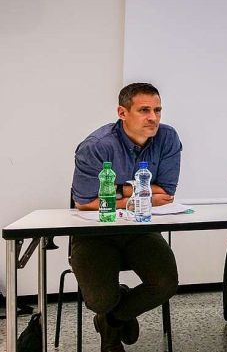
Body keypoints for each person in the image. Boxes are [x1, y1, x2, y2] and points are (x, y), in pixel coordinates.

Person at [70, 83, 181, 352]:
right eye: (144, 110)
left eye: (157, 110)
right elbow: (85, 203)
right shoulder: (96, 146)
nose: (153, 117)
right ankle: (110, 310)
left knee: (166, 283)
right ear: (122, 112)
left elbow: (166, 192)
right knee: (99, 299)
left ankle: (113, 320)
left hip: (139, 229)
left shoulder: (167, 138)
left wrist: (117, 192)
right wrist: (140, 192)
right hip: (96, 233)